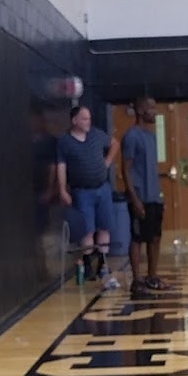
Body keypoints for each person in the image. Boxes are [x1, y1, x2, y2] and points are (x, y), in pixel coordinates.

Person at [56, 105, 119, 280]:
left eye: (89, 118)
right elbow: (61, 166)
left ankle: (103, 262)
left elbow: (114, 143)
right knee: (87, 229)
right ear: (74, 120)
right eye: (84, 119)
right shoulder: (65, 141)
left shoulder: (97, 135)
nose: (88, 122)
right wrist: (62, 189)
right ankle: (86, 261)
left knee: (105, 226)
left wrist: (107, 162)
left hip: (102, 187)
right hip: (82, 190)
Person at [121, 97, 171, 292]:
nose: (155, 111)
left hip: (153, 196)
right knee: (137, 237)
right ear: (141, 111)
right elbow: (126, 170)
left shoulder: (151, 136)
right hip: (139, 196)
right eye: (151, 108)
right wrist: (134, 199)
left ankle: (152, 276)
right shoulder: (131, 136)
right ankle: (136, 280)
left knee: (155, 237)